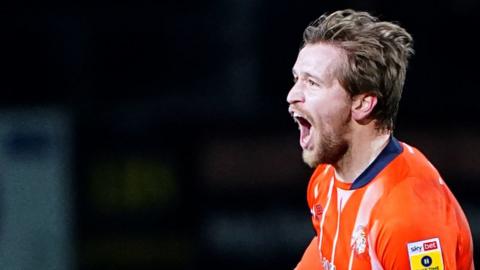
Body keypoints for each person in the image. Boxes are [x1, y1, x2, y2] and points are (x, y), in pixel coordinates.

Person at [286, 9, 474, 270]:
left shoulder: (408, 217)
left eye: (312, 83)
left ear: (363, 104)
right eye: (297, 79)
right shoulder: (325, 180)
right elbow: (326, 255)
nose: (292, 95)